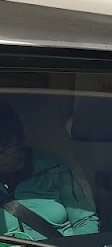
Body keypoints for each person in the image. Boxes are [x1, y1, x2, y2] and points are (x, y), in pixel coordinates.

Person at [0, 99, 99, 239]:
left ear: (20, 141)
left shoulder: (55, 168)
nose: (1, 159)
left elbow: (84, 221)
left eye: (7, 149)